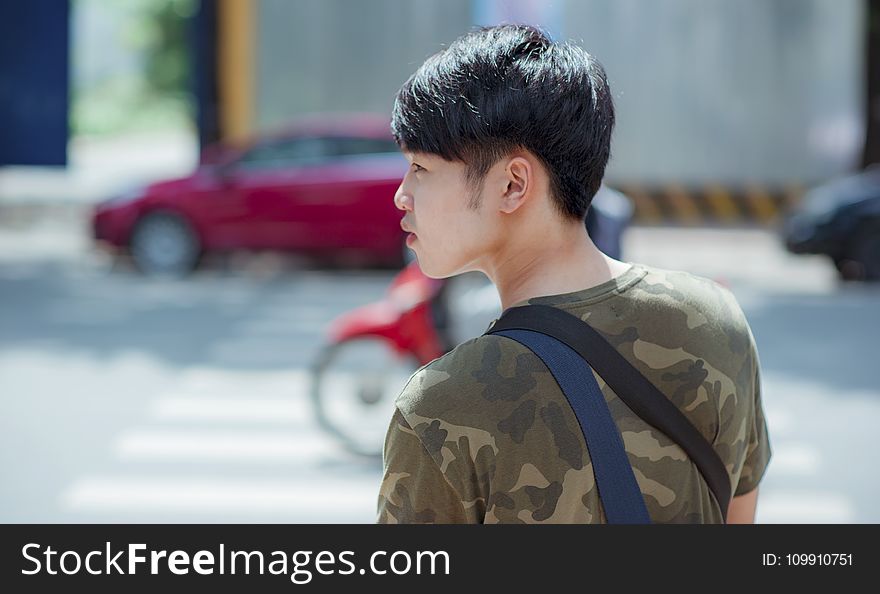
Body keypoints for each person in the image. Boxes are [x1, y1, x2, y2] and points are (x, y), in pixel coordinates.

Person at [376, 24, 771, 524]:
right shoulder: (716, 319)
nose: (401, 194)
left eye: (420, 168)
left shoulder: (443, 405)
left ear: (513, 185)